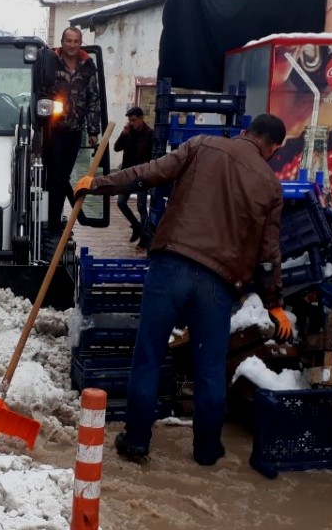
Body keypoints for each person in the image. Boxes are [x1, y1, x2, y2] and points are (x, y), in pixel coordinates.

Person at [74, 114, 293, 466]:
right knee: (209, 369)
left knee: (147, 357)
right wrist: (275, 304)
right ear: (274, 148)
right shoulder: (270, 185)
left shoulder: (202, 145)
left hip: (170, 266)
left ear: (244, 132)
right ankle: (207, 451)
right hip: (218, 284)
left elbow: (147, 173)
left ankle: (136, 442)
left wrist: (98, 184)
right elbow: (269, 254)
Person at [43, 27, 102, 242]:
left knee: (63, 176)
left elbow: (93, 99)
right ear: (62, 41)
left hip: (75, 130)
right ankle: (52, 221)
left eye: (76, 41)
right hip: (53, 129)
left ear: (80, 43)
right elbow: (40, 91)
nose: (72, 45)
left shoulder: (88, 66)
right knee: (55, 175)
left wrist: (93, 130)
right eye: (68, 40)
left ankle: (55, 218)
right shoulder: (50, 61)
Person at [113, 106, 155, 243]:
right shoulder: (128, 132)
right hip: (127, 173)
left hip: (142, 175)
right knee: (121, 202)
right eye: (130, 120)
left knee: (141, 206)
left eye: (134, 120)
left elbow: (154, 156)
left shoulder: (150, 134)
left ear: (141, 118)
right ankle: (136, 225)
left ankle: (145, 237)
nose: (131, 123)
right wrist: (123, 133)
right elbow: (116, 148)